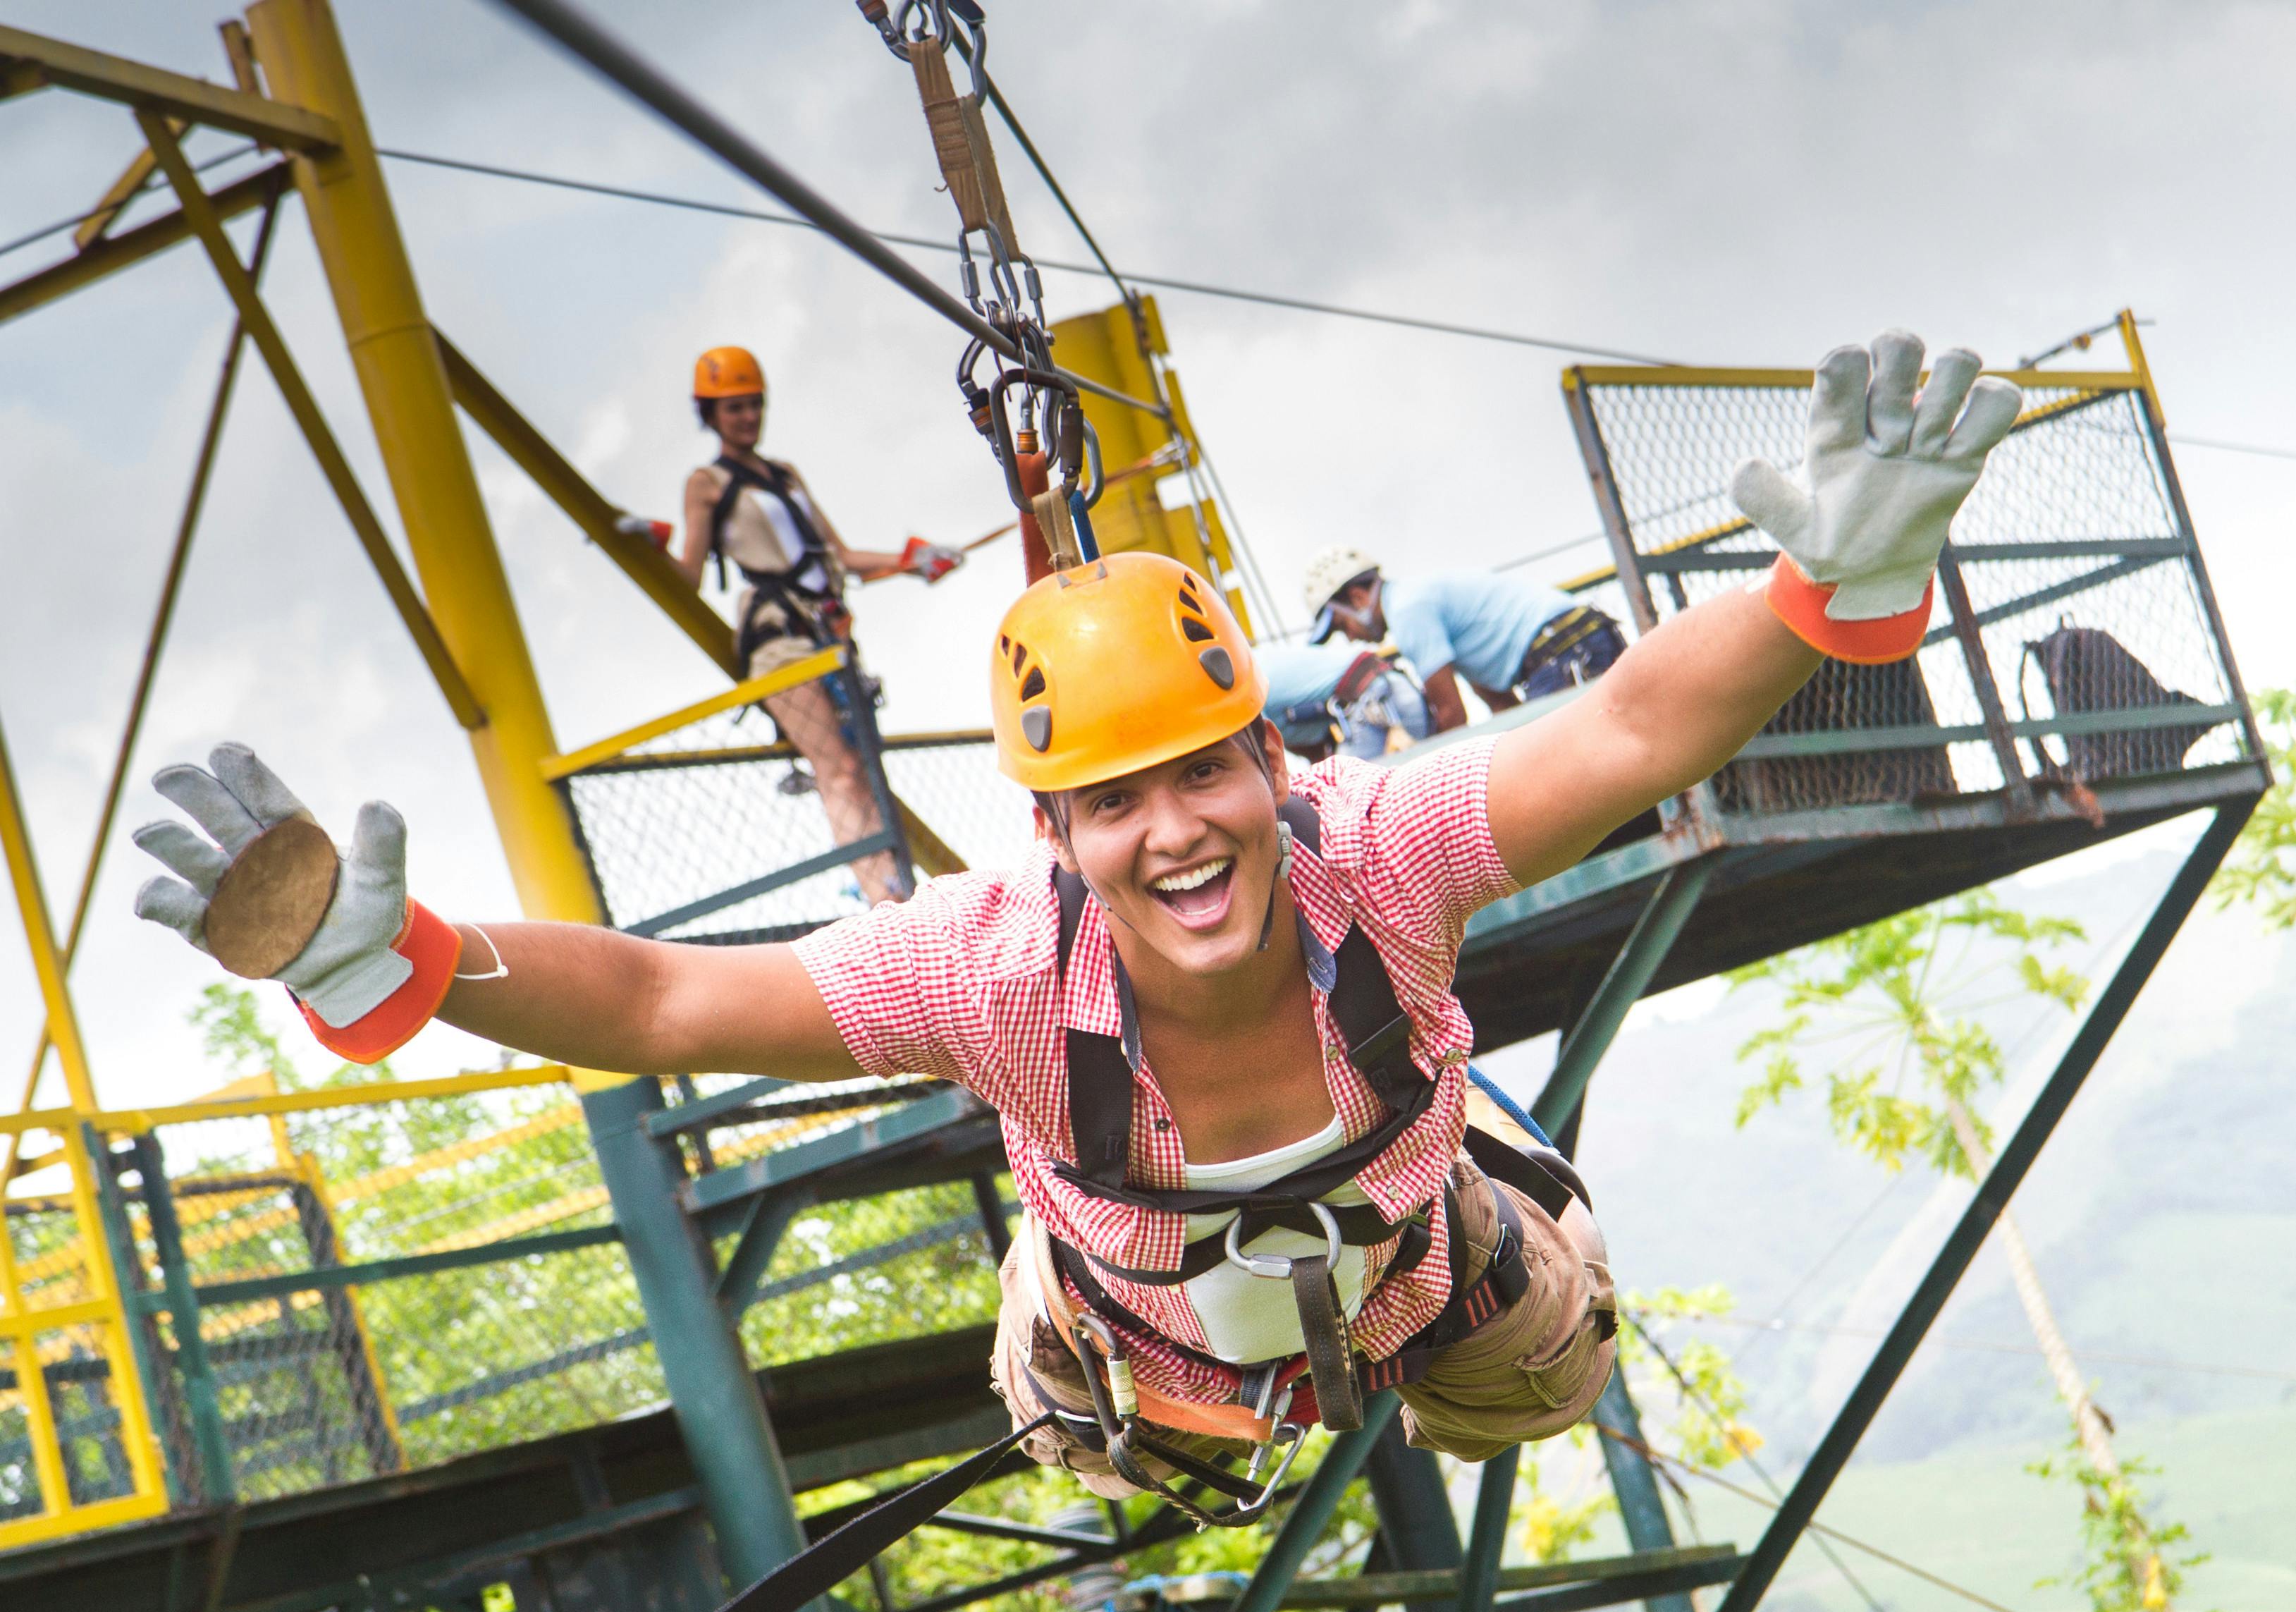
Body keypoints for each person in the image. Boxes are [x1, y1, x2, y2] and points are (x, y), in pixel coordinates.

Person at [132, 336, 2018, 1510]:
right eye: (1113, 802)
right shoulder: (995, 966)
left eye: (1205, 771)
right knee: (1107, 1421)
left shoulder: (1382, 845)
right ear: (1051, 825)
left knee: (1537, 1372)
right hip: (1137, 1351)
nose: (1176, 831)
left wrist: (1827, 596)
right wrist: (409, 971)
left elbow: (1617, 724)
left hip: (1427, 1274)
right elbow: (663, 997)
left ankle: (1468, 1283)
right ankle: (1126, 1356)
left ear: (1272, 758)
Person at [677, 346, 966, 905]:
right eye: (734, 408)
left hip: (827, 636)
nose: (747, 418)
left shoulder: (784, 475)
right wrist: (643, 544)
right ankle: (882, 897)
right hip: (778, 643)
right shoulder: (706, 483)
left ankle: (888, 887)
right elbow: (687, 573)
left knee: (859, 769)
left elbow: (838, 555)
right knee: (836, 772)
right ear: (710, 414)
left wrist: (912, 561)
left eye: (754, 405)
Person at [1304, 545, 1628, 734]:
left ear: (1359, 598)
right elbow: (1501, 705)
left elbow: (1452, 716)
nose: (1349, 638)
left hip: (1561, 650)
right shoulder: (1431, 616)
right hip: (1576, 639)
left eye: (1342, 626)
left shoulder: (1407, 612)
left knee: (1581, 763)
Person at [1256, 638, 1433, 762]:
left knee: (1347, 794)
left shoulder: (1246, 682)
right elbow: (1315, 754)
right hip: (1389, 690)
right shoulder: (1256, 667)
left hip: (1378, 701)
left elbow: (1264, 764)